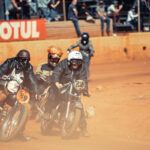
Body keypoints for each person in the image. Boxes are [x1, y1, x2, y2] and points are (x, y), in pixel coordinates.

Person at [0, 49, 38, 141]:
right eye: (22, 59)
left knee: (27, 108)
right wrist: (3, 78)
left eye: (26, 60)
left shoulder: (29, 67)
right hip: (4, 87)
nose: (24, 62)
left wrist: (36, 92)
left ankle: (19, 132)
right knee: (2, 96)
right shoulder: (10, 62)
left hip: (17, 92)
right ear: (18, 58)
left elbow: (32, 79)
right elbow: (1, 71)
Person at [52, 51, 90, 137]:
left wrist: (85, 90)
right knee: (55, 99)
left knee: (79, 106)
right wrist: (57, 82)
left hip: (74, 87)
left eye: (78, 62)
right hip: (62, 85)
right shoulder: (63, 63)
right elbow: (56, 73)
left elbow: (84, 79)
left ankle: (83, 128)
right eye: (73, 61)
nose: (76, 64)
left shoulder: (82, 67)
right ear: (69, 60)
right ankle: (49, 114)